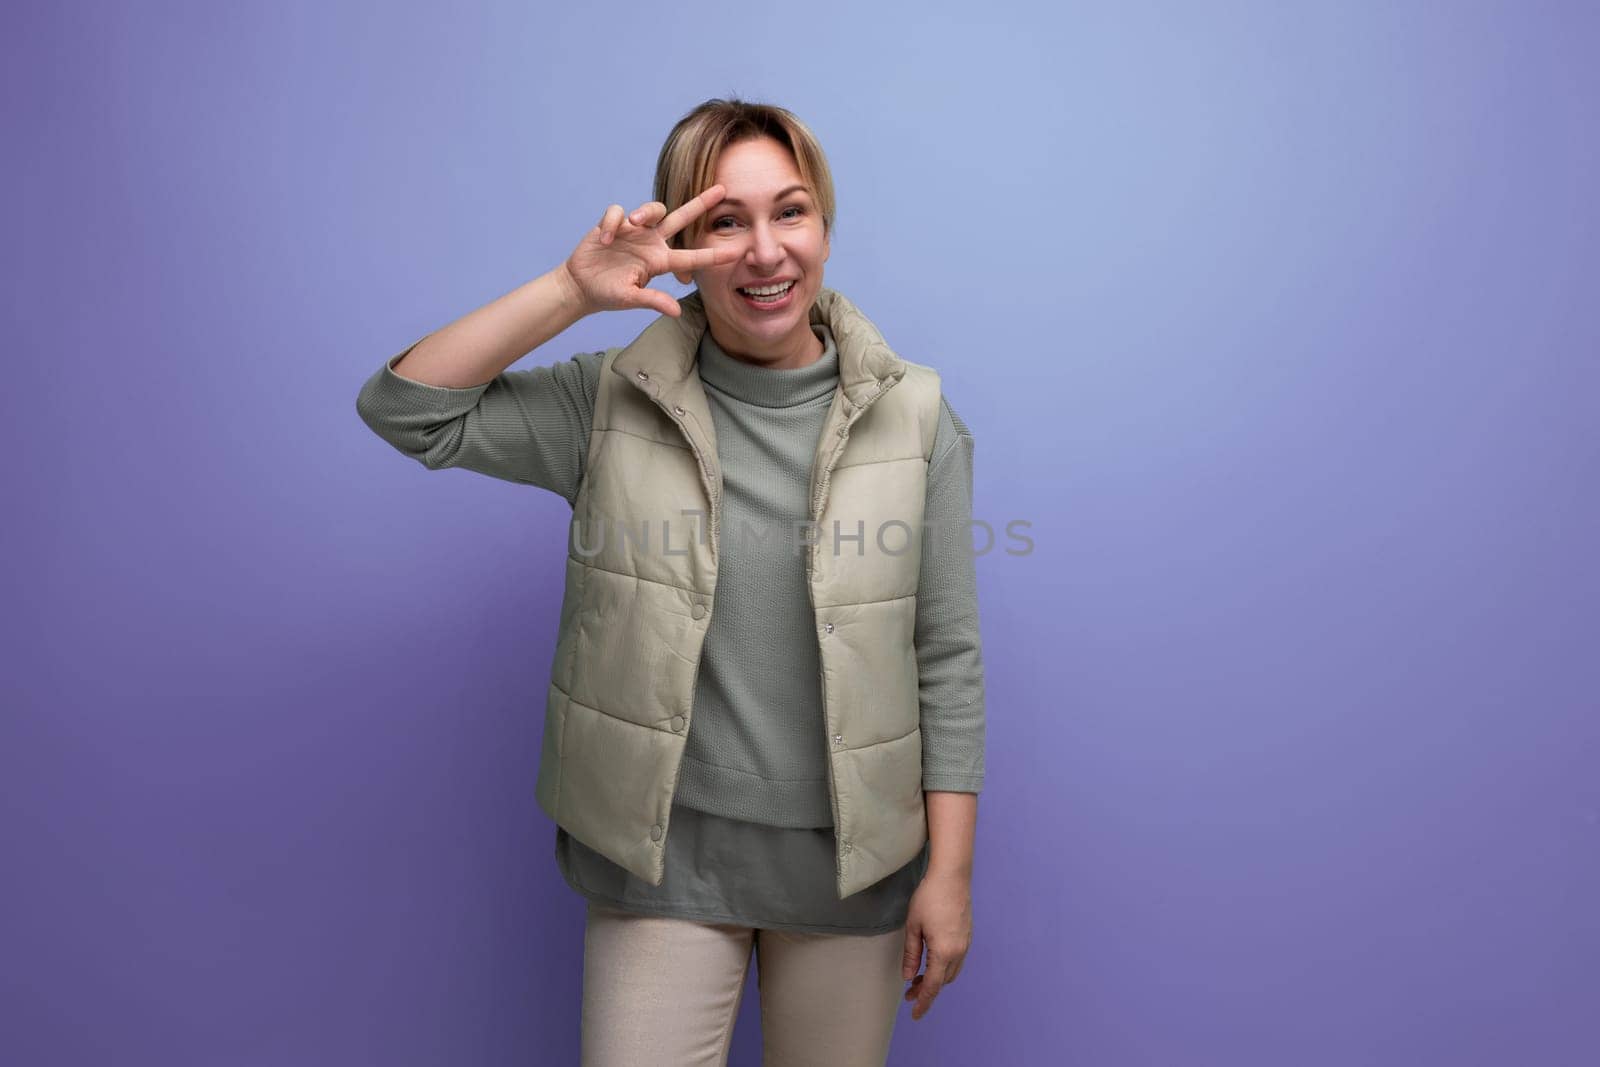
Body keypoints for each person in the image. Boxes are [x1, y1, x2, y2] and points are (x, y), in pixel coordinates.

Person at [355, 98, 986, 1066]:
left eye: (791, 211)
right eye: (724, 221)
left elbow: (943, 656)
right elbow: (408, 409)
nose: (765, 251)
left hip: (851, 871)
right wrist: (573, 290)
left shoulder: (916, 417)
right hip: (661, 856)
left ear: (825, 224)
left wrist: (948, 872)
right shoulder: (609, 397)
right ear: (680, 238)